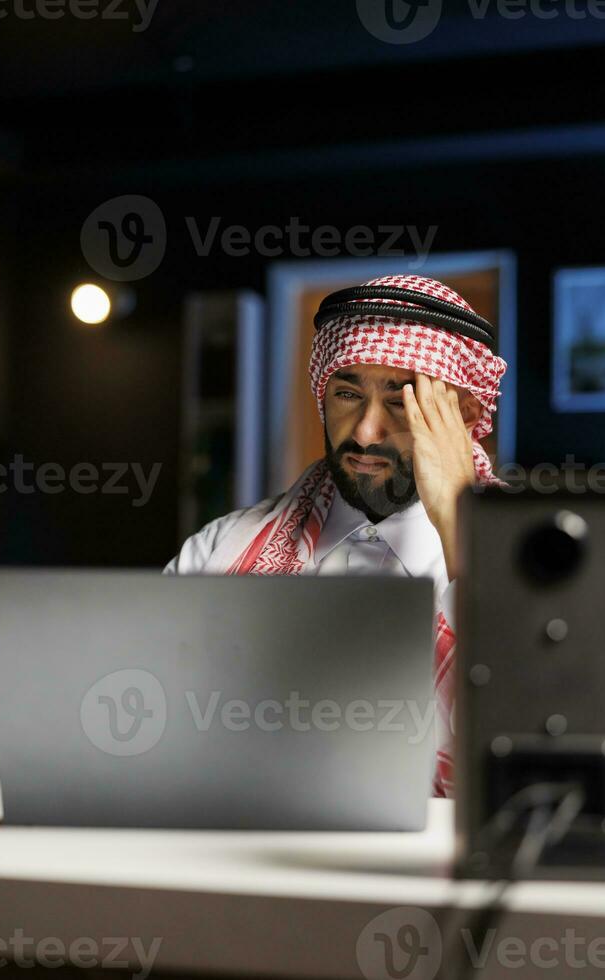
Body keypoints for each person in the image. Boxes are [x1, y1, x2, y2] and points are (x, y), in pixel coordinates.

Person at [164, 274, 508, 797]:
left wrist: (465, 530)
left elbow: (537, 725)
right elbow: (157, 720)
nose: (366, 432)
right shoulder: (221, 549)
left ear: (462, 417)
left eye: (402, 399)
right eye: (348, 393)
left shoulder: (535, 559)